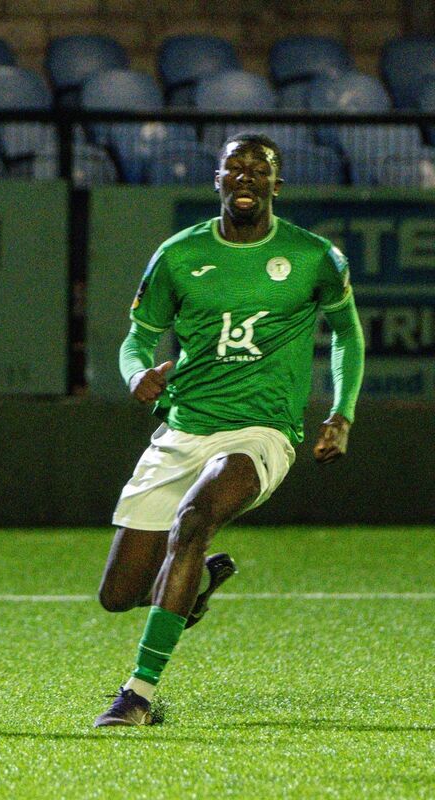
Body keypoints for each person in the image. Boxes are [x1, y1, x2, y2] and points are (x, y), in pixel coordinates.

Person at [93, 132, 365, 727]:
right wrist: (137, 373)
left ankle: (136, 694)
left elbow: (347, 333)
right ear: (217, 179)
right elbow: (137, 339)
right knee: (118, 596)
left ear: (276, 183)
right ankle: (197, 585)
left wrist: (340, 414)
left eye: (259, 168)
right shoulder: (179, 254)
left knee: (195, 520)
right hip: (185, 429)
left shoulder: (314, 256)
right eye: (234, 168)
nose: (246, 177)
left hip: (261, 433)